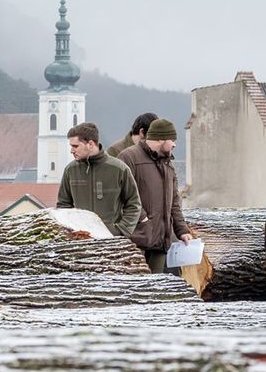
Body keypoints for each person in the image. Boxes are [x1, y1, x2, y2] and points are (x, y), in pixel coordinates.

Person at [117, 117, 193, 273]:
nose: (174, 144)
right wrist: (144, 221)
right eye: (171, 139)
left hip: (160, 243)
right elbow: (122, 197)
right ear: (160, 138)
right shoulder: (128, 158)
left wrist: (182, 230)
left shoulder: (167, 163)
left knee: (156, 288)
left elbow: (174, 202)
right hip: (136, 242)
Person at [55, 122, 140, 237]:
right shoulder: (71, 170)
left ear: (90, 144)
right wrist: (72, 233)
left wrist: (120, 231)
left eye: (75, 146)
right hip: (81, 242)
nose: (72, 150)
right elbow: (63, 206)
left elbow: (133, 204)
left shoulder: (119, 169)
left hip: (112, 242)